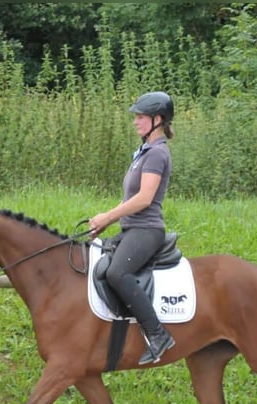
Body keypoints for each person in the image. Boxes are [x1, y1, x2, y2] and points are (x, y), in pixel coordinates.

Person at [89, 91, 176, 365]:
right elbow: (129, 199)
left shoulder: (157, 154)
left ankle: (158, 333)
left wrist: (108, 217)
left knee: (118, 272)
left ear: (157, 119)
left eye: (141, 117)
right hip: (132, 228)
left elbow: (144, 198)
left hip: (146, 230)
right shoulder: (143, 153)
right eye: (136, 116)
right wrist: (105, 220)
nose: (136, 121)